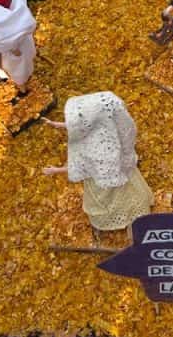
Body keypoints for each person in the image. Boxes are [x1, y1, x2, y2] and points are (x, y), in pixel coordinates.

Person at [42, 92, 154, 236]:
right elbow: (82, 125)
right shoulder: (110, 128)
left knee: (110, 203)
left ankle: (127, 221)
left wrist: (56, 170)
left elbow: (83, 168)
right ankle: (132, 215)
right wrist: (58, 124)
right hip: (121, 173)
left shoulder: (100, 152)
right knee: (131, 194)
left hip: (105, 185)